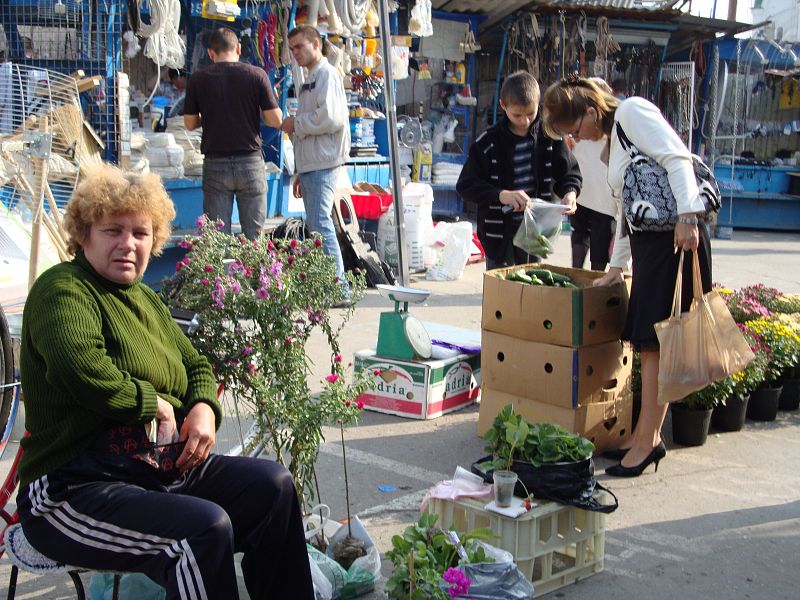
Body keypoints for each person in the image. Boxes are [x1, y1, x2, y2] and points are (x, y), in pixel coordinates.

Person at [16, 164, 314, 599]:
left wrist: (202, 409)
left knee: (273, 488)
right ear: (84, 234)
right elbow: (77, 366)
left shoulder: (143, 299)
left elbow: (195, 364)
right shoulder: (62, 289)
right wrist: (151, 402)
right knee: (199, 532)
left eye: (140, 233)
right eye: (112, 230)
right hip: (70, 490)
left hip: (151, 470)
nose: (127, 244)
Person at [542, 75, 713, 477]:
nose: (577, 138)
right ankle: (645, 438)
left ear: (590, 110)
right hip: (651, 246)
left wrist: (688, 215)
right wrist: (615, 268)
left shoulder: (633, 112)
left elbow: (677, 158)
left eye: (576, 128)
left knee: (656, 347)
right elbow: (625, 214)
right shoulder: (613, 140)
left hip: (675, 239)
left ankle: (646, 441)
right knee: (649, 346)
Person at [456, 70, 581, 269]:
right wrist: (501, 195)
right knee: (502, 293)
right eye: (517, 115)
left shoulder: (549, 136)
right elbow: (466, 185)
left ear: (538, 104)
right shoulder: (488, 143)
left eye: (530, 114)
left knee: (531, 287)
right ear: (503, 106)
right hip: (498, 235)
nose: (524, 121)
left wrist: (570, 194)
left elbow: (569, 173)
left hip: (535, 231)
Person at [184, 27, 282, 240]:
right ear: (238, 48)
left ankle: (221, 275)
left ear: (211, 53)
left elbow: (190, 123)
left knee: (217, 242)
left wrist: (211, 115)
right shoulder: (257, 75)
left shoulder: (198, 79)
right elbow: (275, 120)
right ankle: (255, 274)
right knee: (254, 241)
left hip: (215, 165)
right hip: (250, 163)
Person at [280, 25, 351, 290]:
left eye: (300, 46)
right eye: (292, 48)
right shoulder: (312, 77)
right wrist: (300, 169)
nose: (295, 52)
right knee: (316, 225)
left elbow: (330, 118)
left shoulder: (326, 74)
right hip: (313, 164)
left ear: (316, 44)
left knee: (321, 223)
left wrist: (296, 124)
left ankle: (338, 288)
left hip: (324, 162)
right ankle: (328, 285)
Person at [566, 77, 617, 271]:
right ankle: (588, 274)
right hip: (590, 192)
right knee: (593, 234)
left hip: (596, 193)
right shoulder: (588, 124)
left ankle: (583, 273)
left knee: (588, 234)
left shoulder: (604, 126)